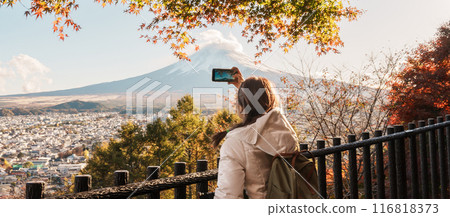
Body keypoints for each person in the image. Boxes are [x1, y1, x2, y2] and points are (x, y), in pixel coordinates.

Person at [213, 67, 299, 199]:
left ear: (240, 105)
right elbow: (269, 112)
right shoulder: (287, 134)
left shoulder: (236, 143)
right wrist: (244, 87)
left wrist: (244, 91)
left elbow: (228, 197)